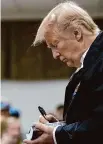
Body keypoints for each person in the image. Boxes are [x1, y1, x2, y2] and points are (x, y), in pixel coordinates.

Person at [23, 1, 103, 144]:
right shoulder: (87, 67)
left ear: (77, 33)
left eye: (55, 45)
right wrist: (60, 126)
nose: (55, 55)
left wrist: (57, 135)